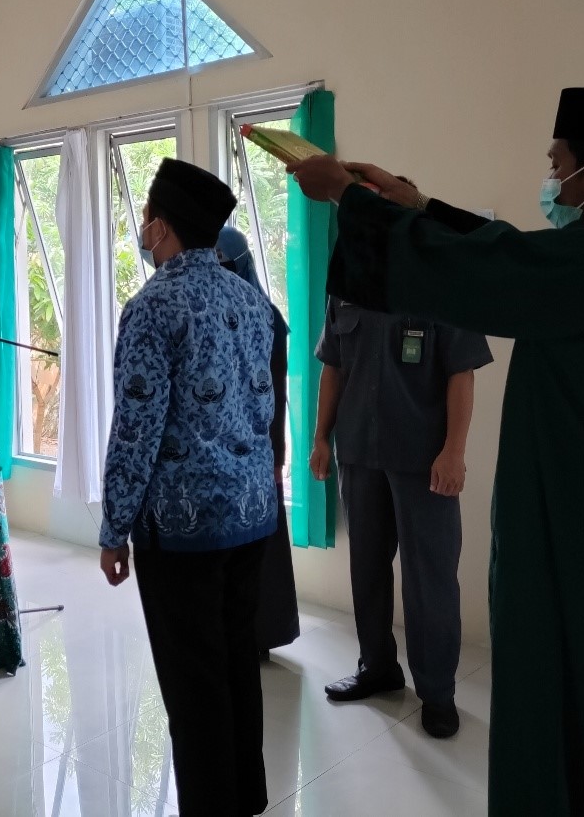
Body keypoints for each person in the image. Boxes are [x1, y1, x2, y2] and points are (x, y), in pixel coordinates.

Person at [287, 87, 584, 815]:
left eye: (559, 165)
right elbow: (520, 254)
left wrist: (349, 200)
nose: (552, 181)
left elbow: (500, 268)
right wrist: (418, 205)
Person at [99, 159, 277, 817]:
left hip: (183, 528)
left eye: (147, 218)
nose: (143, 229)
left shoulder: (152, 307)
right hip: (252, 513)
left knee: (193, 681)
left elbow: (136, 429)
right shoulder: (251, 300)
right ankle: (247, 796)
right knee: (235, 660)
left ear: (163, 227)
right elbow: (263, 406)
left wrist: (114, 528)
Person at [309, 177, 492, 739]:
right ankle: (377, 668)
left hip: (423, 459)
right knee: (366, 569)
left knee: (429, 578)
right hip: (359, 452)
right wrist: (321, 438)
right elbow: (333, 365)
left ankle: (437, 692)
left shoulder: (444, 279)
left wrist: (454, 452)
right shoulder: (348, 282)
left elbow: (462, 373)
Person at [214, 225, 301, 657]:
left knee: (259, 547)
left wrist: (276, 458)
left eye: (225, 263)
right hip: (214, 452)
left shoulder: (265, 319)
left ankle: (260, 636)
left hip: (255, 452)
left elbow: (276, 396)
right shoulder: (203, 314)